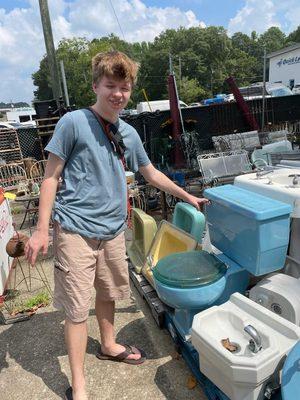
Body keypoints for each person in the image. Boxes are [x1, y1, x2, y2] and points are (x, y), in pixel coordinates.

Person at [25, 51, 208, 400]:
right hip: (76, 229)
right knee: (77, 309)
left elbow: (150, 173)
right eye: (110, 85)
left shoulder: (128, 132)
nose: (118, 94)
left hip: (112, 230)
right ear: (96, 85)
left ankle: (108, 344)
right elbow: (50, 177)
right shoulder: (74, 122)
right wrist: (40, 229)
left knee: (109, 292)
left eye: (124, 87)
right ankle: (79, 384)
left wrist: (188, 196)